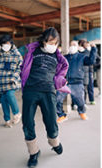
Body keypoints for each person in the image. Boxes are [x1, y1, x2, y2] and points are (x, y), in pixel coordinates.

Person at [17, 30, 68, 166]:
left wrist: (60, 80)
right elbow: (23, 67)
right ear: (43, 41)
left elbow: (62, 72)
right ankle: (33, 152)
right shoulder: (33, 51)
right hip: (30, 90)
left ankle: (54, 142)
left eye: (55, 43)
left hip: (48, 91)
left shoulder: (58, 57)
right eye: (49, 42)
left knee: (51, 122)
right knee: (27, 123)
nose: (52, 45)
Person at [0, 36, 24, 128]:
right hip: (1, 82)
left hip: (11, 81)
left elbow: (20, 68)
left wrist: (14, 78)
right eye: (3, 44)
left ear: (11, 43)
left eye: (6, 43)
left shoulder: (16, 55)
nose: (5, 46)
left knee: (9, 94)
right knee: (3, 101)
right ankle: (7, 120)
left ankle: (17, 113)